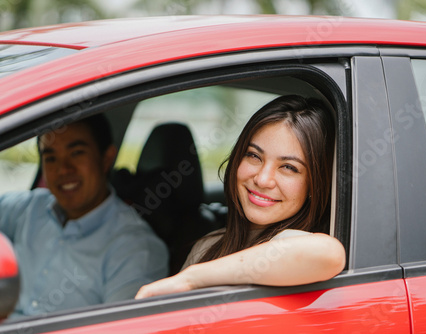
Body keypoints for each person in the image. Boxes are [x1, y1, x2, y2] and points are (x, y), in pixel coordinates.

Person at [0, 114, 168, 316]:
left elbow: (125, 327)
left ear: (106, 158)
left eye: (76, 153)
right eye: (51, 158)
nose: (63, 169)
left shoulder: (136, 249)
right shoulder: (31, 209)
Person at [135, 95, 345, 299]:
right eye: (254, 155)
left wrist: (191, 278)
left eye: (289, 167)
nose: (262, 179)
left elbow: (329, 253)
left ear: (314, 184)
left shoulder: (304, 246)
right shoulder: (209, 246)